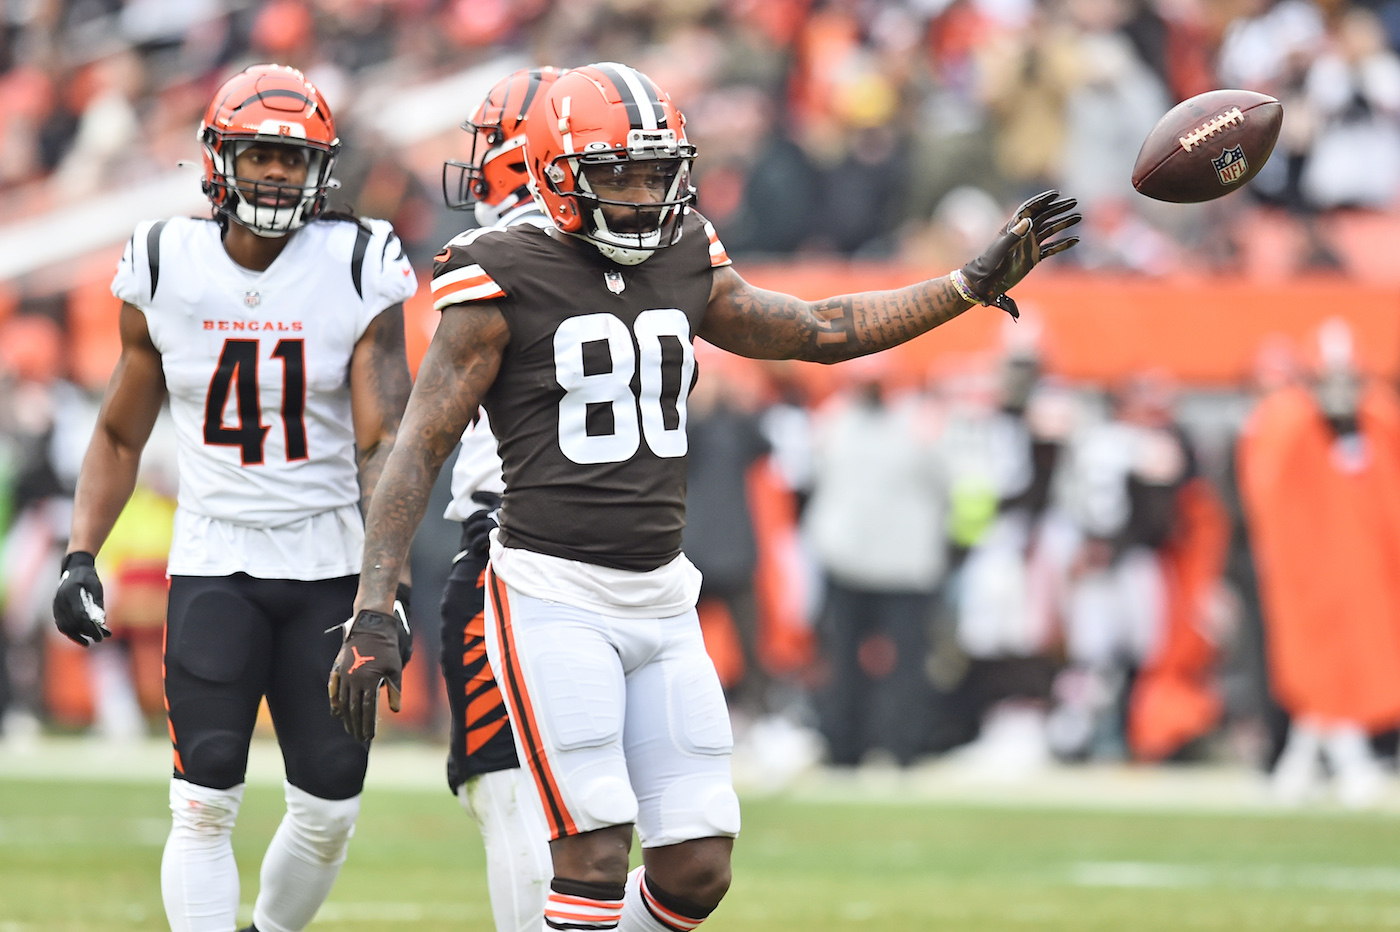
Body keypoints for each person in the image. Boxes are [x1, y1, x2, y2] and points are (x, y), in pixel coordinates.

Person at [331, 61, 1078, 932]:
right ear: (555, 174)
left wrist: (964, 287)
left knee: (696, 868)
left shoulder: (685, 249)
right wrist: (374, 607)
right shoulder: (498, 269)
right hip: (549, 592)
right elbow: (418, 448)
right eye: (619, 175)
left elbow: (816, 329)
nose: (644, 194)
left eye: (658, 172)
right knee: (591, 856)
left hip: (662, 590)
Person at [51, 64, 416, 932]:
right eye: (261, 155)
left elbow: (384, 445)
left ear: (323, 169)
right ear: (220, 159)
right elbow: (118, 433)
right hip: (215, 558)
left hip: (328, 564)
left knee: (329, 810)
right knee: (204, 798)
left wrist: (383, 592)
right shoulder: (163, 262)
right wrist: (79, 554)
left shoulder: (357, 262)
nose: (279, 174)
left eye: (296, 159)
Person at [437, 66, 558, 932]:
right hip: (625, 548)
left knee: (506, 792)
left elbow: (424, 437)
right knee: (598, 808)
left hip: (508, 550)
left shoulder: (488, 257)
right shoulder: (649, 250)